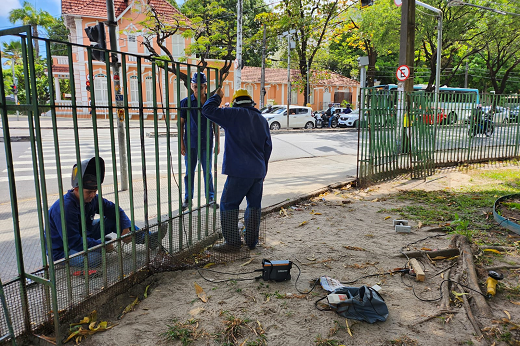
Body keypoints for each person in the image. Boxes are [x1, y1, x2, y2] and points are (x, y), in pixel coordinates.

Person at [47, 157, 165, 269]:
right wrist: (100, 245)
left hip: (84, 233)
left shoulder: (92, 199)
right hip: (63, 249)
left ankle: (148, 239)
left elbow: (115, 210)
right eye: (89, 192)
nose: (93, 195)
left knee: (115, 220)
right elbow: (73, 241)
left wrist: (125, 228)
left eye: (95, 191)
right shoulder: (65, 208)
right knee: (95, 259)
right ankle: (83, 253)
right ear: (76, 189)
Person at [202, 88, 272, 252]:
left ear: (235, 102)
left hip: (240, 171)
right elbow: (267, 149)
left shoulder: (233, 114)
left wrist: (216, 97)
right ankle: (251, 241)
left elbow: (207, 110)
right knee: (254, 206)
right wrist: (263, 171)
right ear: (251, 103)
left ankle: (232, 242)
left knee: (228, 204)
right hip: (258, 171)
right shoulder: (262, 119)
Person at [180, 72, 220, 211]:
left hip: (207, 142)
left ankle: (210, 197)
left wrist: (218, 143)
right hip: (190, 142)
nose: (198, 90)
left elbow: (216, 123)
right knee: (189, 172)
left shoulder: (210, 103)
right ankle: (187, 198)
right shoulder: (185, 102)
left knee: (207, 171)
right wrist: (181, 144)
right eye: (195, 86)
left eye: (201, 87)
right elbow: (181, 124)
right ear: (192, 86)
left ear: (205, 87)